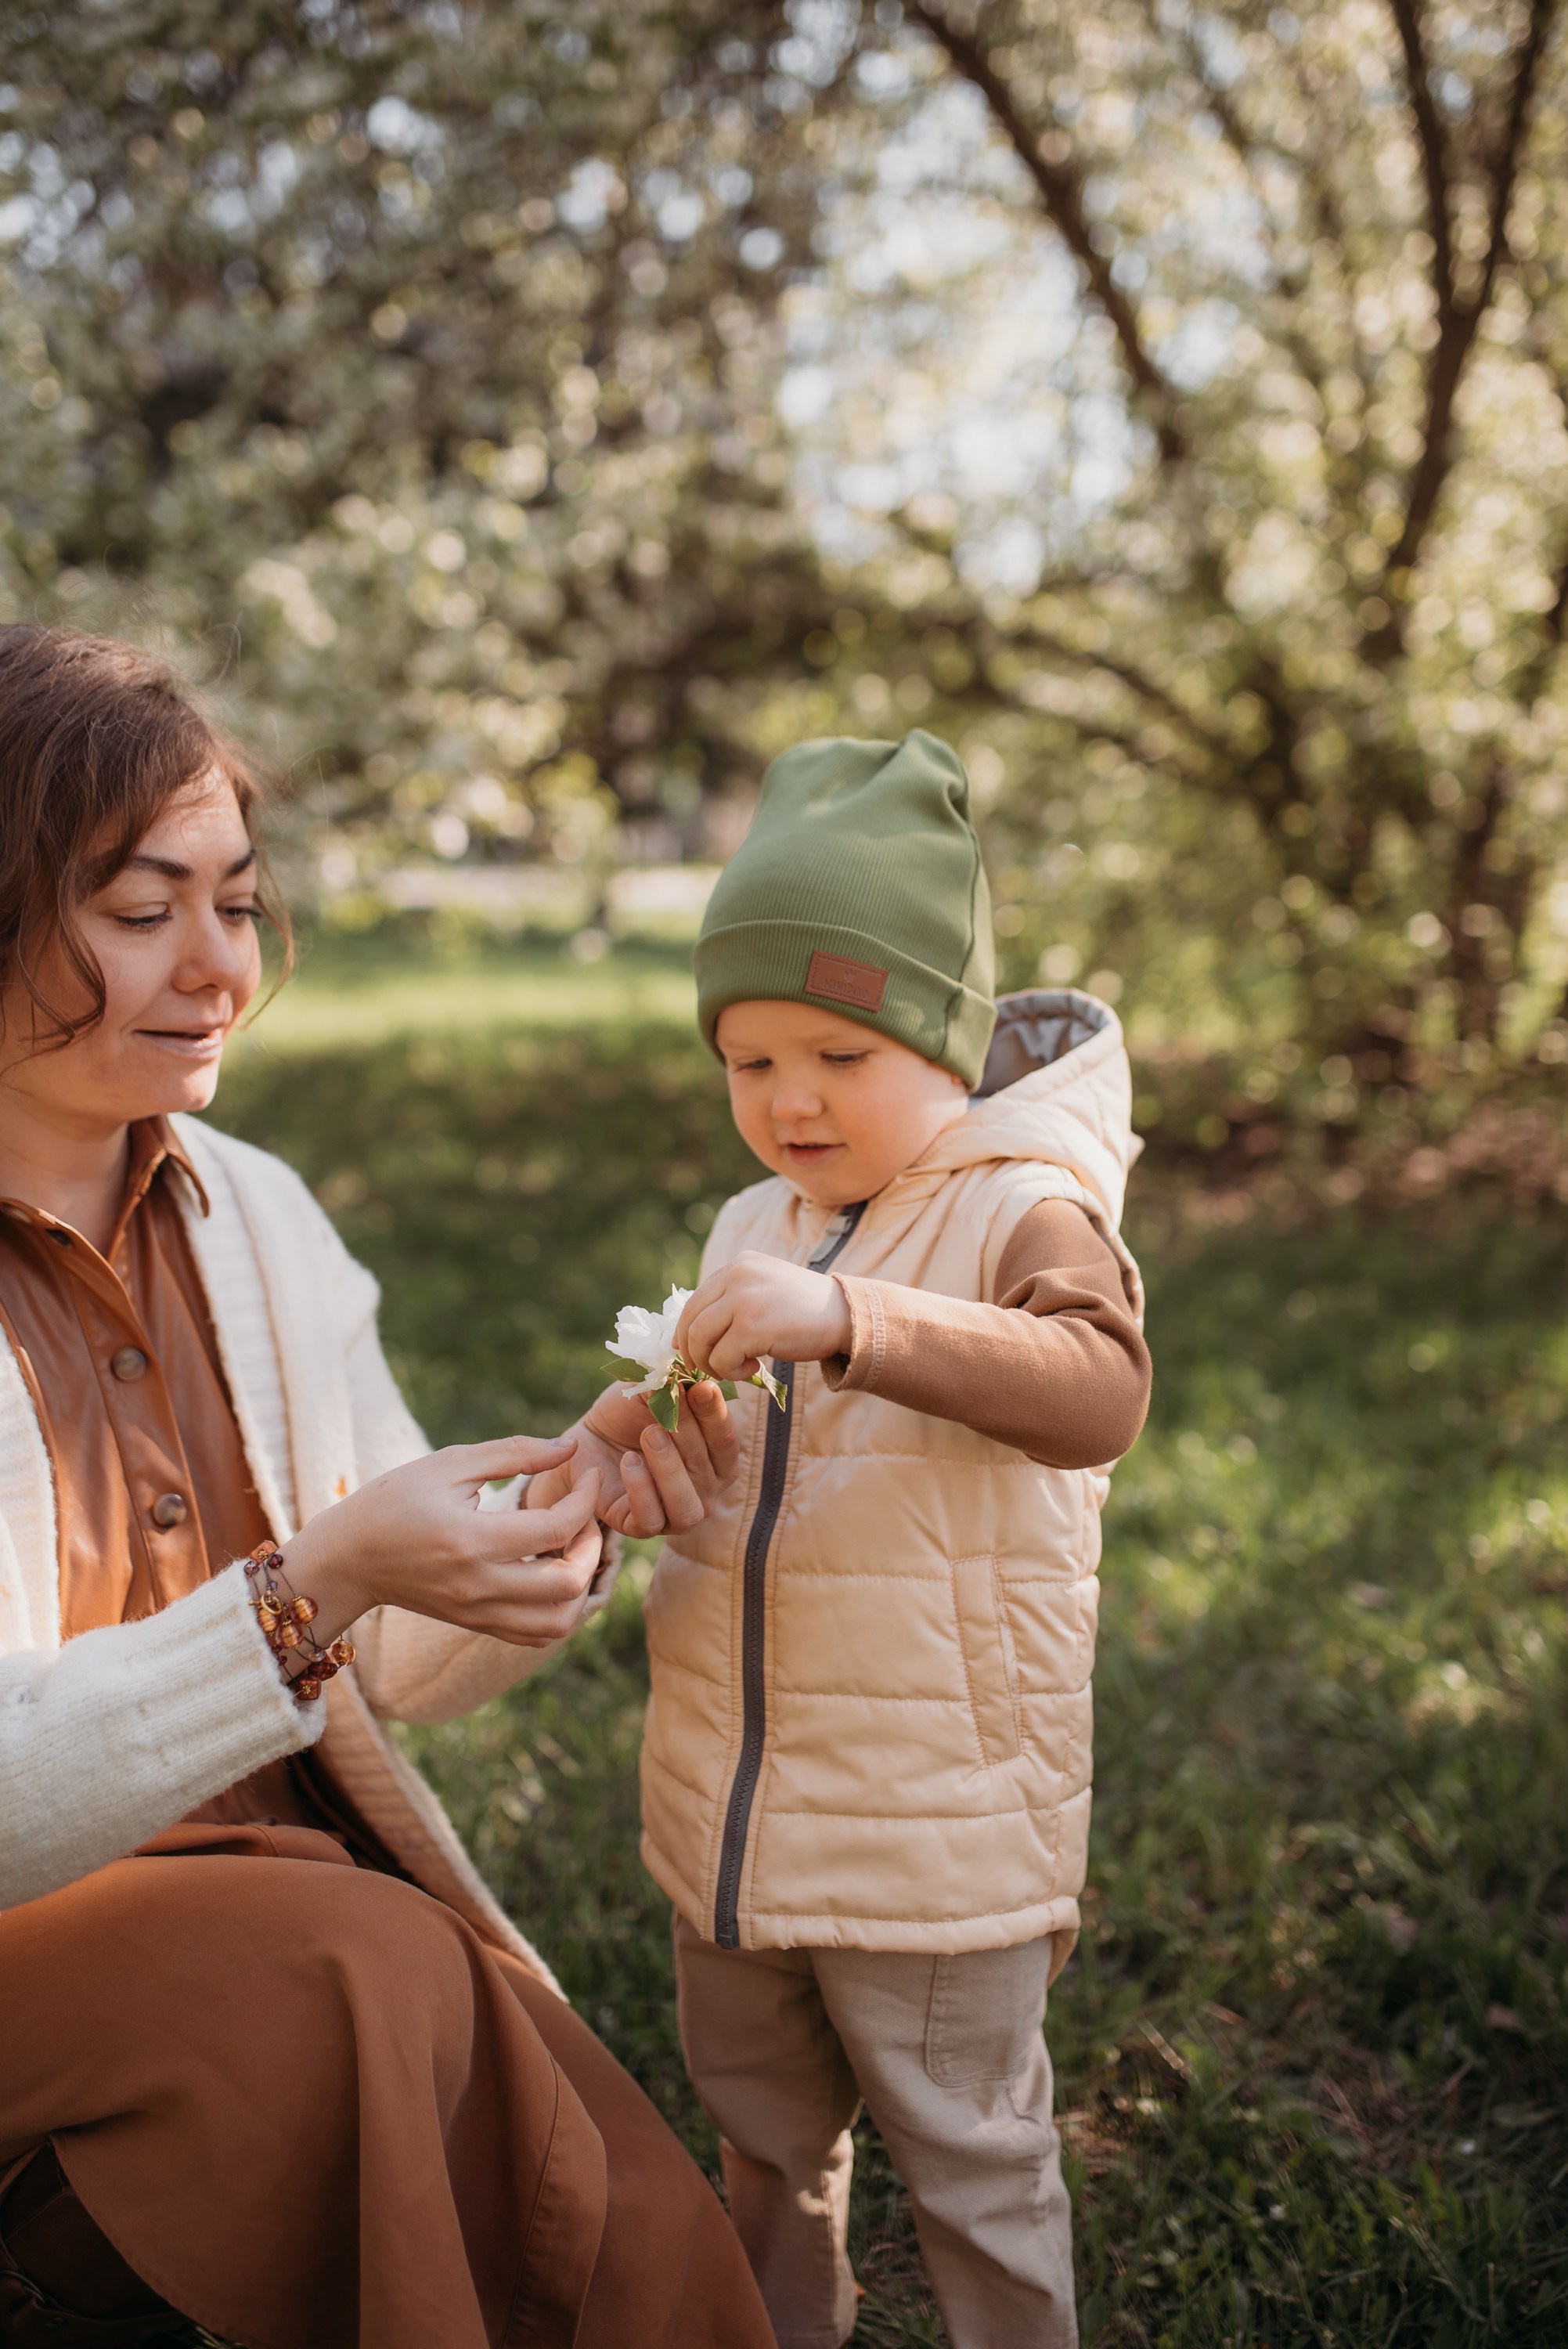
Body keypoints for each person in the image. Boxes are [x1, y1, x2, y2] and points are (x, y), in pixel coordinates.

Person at [0, 626, 773, 2349]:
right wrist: (315, 1584)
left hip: (301, 1895)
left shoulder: (259, 1212)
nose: (216, 965)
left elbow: (405, 1657)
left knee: (613, 2188)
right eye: (141, 913)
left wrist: (567, 1531)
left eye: (238, 902)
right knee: (372, 1969)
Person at [634, 731, 1152, 2347]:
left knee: (972, 2156)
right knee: (765, 2135)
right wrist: (651, 1438)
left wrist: (852, 1320)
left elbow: (1099, 1392)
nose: (788, 1099)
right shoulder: (756, 1220)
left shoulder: (1026, 1203)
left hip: (934, 1828)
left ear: (942, 1037)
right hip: (738, 1800)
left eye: (838, 1056)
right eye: (751, 1059)